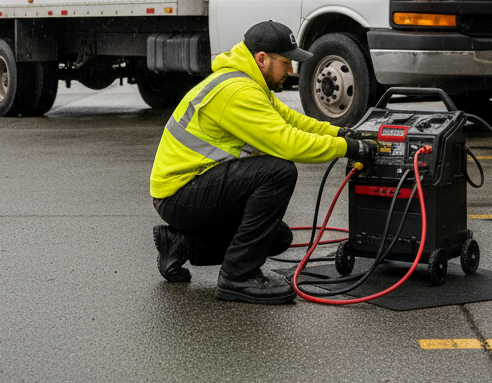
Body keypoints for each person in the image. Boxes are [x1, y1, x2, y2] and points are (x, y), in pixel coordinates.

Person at [148, 20, 376, 304]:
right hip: (179, 195)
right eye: (286, 63)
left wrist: (340, 133)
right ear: (262, 59)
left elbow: (292, 120)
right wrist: (348, 148)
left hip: (191, 188)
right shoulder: (237, 92)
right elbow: (287, 143)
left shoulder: (249, 83)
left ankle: (181, 244)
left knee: (276, 237)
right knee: (278, 172)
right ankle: (237, 277)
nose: (291, 71)